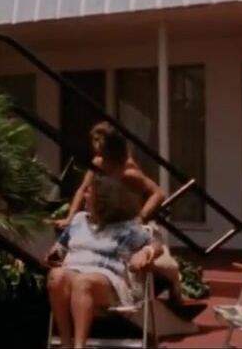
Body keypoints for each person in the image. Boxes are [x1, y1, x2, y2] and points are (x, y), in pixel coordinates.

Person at [52, 121, 185, 305]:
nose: (96, 145)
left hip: (126, 222)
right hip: (105, 220)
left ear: (111, 143)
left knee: (146, 257)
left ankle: (172, 278)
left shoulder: (127, 168)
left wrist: (141, 216)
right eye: (94, 140)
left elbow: (158, 193)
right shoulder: (97, 163)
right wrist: (70, 217)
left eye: (100, 140)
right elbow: (83, 190)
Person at [46, 175, 162, 349]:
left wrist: (145, 252)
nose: (84, 196)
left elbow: (157, 245)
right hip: (73, 274)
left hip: (108, 283)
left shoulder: (124, 227)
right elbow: (60, 249)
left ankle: (79, 346)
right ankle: (66, 343)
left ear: (103, 200)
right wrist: (53, 256)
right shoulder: (78, 220)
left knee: (82, 282)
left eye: (89, 193)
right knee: (56, 276)